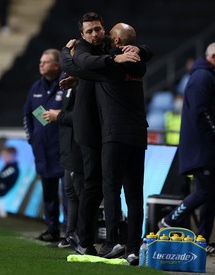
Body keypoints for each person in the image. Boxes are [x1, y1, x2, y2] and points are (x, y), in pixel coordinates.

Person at [60, 12, 152, 259]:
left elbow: (81, 65)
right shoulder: (132, 63)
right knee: (122, 191)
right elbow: (76, 64)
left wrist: (70, 62)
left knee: (107, 189)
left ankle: (111, 242)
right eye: (90, 31)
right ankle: (123, 246)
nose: (98, 35)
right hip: (114, 133)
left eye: (102, 31)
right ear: (82, 34)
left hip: (112, 134)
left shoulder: (109, 62)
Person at [158, 41, 215, 256]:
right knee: (206, 190)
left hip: (208, 147)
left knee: (214, 193)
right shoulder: (202, 78)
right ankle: (170, 220)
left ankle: (202, 240)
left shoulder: (210, 77)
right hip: (201, 147)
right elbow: (199, 112)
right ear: (214, 57)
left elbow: (212, 110)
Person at [23, 49, 66, 243]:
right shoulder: (36, 87)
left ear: (56, 66)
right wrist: (32, 137)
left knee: (68, 194)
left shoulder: (66, 84)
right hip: (42, 150)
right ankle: (52, 229)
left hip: (63, 150)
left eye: (45, 62)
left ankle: (71, 231)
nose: (41, 65)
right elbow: (28, 114)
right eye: (41, 61)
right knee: (48, 192)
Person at [43, 71, 84, 248]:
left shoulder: (82, 85)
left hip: (78, 146)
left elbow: (81, 117)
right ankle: (70, 234)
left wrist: (58, 116)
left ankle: (81, 235)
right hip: (68, 147)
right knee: (70, 192)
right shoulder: (71, 84)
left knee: (77, 193)